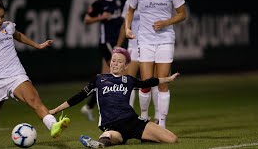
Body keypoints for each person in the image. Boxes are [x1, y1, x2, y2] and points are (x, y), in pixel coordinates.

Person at [0, 0, 70, 149]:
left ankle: (53, 125)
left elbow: (18, 35)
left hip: (16, 74)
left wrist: (37, 45)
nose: (0, 20)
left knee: (34, 100)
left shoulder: (8, 27)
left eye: (2, 17)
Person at [49, 47, 179, 148]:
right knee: (109, 136)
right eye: (113, 60)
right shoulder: (99, 79)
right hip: (112, 125)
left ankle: (146, 137)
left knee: (172, 139)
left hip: (133, 121)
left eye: (119, 61)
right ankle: (98, 144)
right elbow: (79, 97)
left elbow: (147, 83)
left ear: (125, 66)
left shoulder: (128, 80)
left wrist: (168, 79)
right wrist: (55, 110)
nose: (115, 63)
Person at [125, 0, 187, 128]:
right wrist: (127, 28)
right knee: (146, 83)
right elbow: (130, 10)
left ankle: (162, 123)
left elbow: (182, 14)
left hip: (165, 40)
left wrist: (166, 22)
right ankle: (144, 117)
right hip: (145, 41)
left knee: (163, 82)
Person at [81, 0, 124, 121]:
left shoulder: (118, 0)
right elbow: (86, 19)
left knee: (106, 78)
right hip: (106, 43)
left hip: (116, 42)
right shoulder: (98, 3)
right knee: (115, 75)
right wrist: (100, 17)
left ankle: (89, 106)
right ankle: (110, 109)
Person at [119, 0, 160, 124]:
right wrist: (118, 47)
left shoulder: (154, 0)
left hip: (150, 44)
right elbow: (125, 26)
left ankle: (156, 116)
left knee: (152, 80)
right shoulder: (130, 2)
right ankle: (129, 114)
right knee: (129, 80)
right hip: (133, 45)